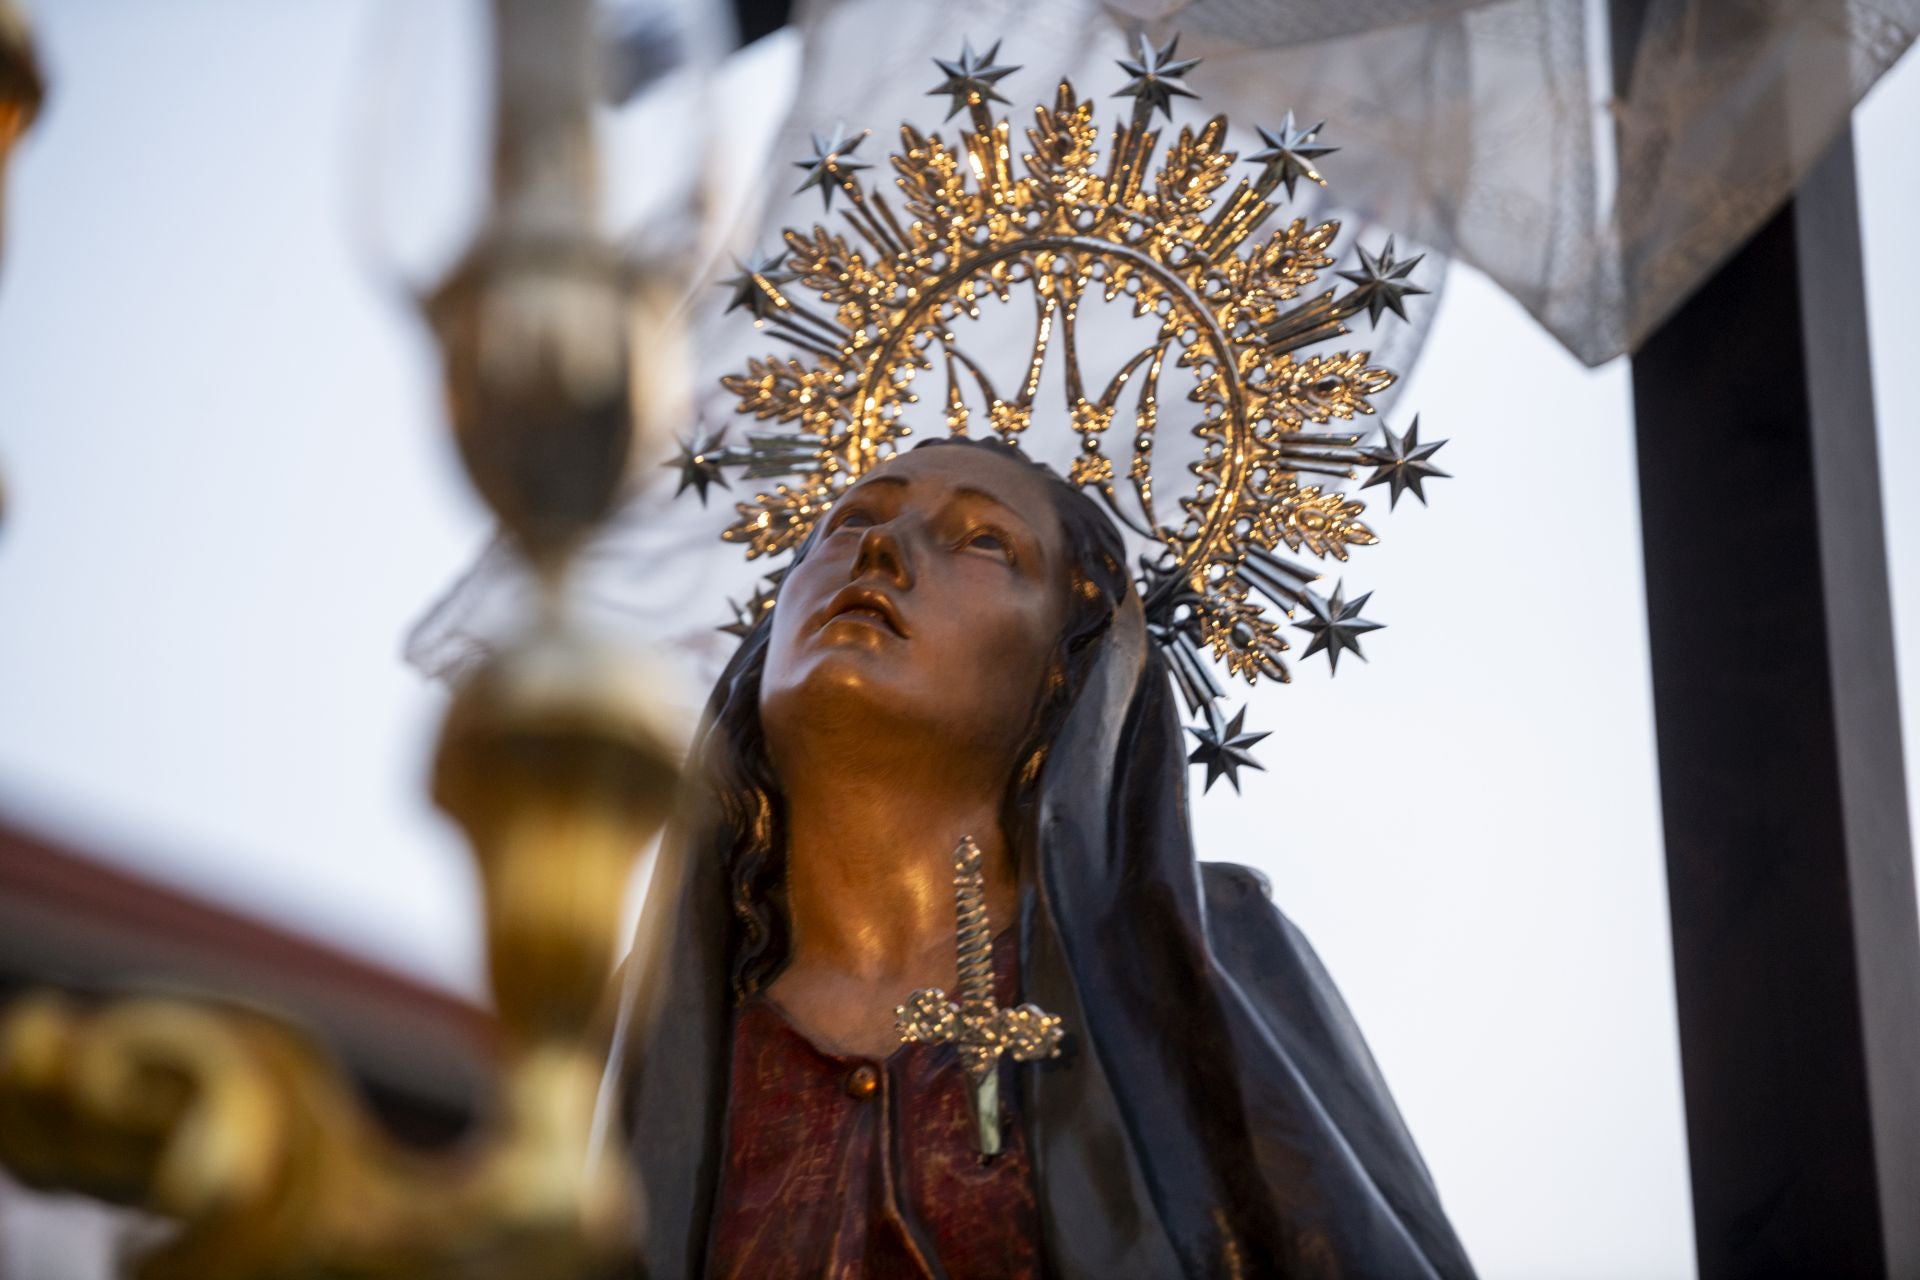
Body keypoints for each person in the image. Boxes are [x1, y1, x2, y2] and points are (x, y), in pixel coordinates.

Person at [605, 435, 1476, 1279]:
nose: (880, 549)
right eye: (847, 522)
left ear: (1069, 667)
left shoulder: (1199, 965)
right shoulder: (618, 1033)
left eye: (985, 542)